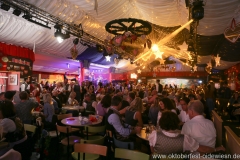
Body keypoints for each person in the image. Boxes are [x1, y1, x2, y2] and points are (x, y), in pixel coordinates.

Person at [149, 111, 225, 155]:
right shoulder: (185, 139)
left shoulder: (154, 135)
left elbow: (153, 151)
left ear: (162, 122)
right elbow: (202, 149)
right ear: (176, 122)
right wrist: (216, 149)